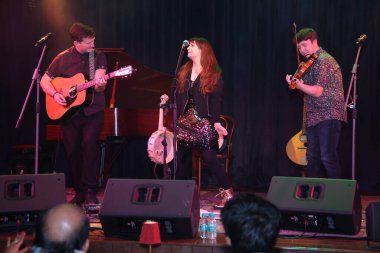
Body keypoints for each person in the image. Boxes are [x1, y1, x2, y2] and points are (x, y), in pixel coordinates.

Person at [40, 22, 107, 205]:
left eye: (93, 41)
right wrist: (54, 94)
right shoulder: (62, 58)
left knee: (89, 146)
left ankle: (91, 189)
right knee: (72, 151)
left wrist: (100, 83)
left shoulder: (98, 57)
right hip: (69, 114)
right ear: (77, 42)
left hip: (92, 111)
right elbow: (44, 80)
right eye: (88, 42)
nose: (92, 44)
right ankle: (79, 191)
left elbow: (100, 84)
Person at [175, 37, 232, 208]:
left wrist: (215, 123)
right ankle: (181, 195)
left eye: (192, 46)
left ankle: (229, 193)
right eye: (188, 46)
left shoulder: (213, 73)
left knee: (210, 158)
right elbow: (178, 97)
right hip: (184, 123)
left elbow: (216, 101)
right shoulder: (184, 71)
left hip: (203, 123)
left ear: (202, 50)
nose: (188, 48)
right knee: (177, 158)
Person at [285, 28, 345, 179]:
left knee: (327, 157)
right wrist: (295, 83)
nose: (302, 50)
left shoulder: (324, 60)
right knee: (312, 159)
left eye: (304, 45)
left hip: (329, 113)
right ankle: (312, 197)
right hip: (314, 116)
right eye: (299, 48)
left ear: (314, 41)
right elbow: (307, 90)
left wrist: (299, 85)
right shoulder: (308, 64)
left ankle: (337, 197)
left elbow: (318, 91)